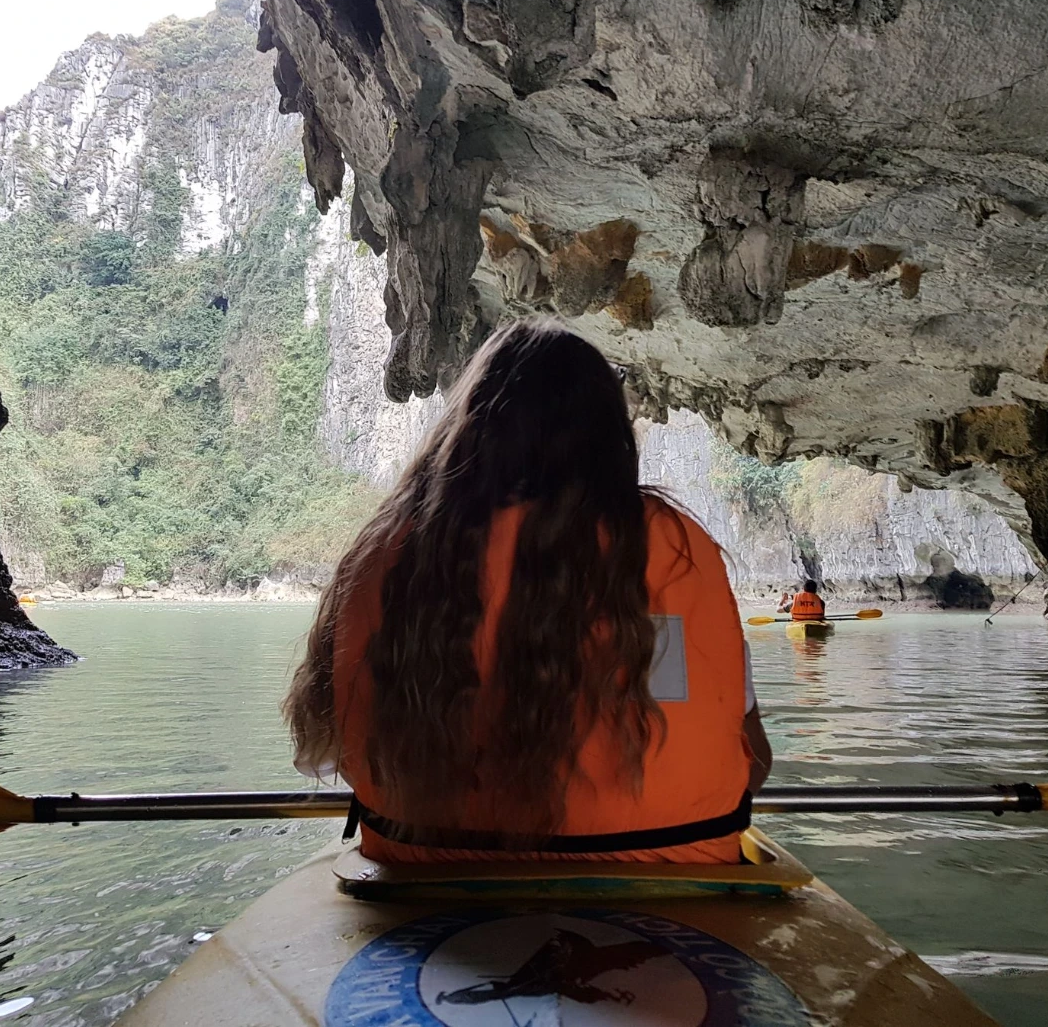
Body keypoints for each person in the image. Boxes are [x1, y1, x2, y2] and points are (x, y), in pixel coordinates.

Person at [284, 319, 771, 865]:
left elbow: (328, 754)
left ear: (468, 427)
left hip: (430, 868)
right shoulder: (676, 549)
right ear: (610, 435)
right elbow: (752, 761)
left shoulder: (397, 547)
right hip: (674, 864)